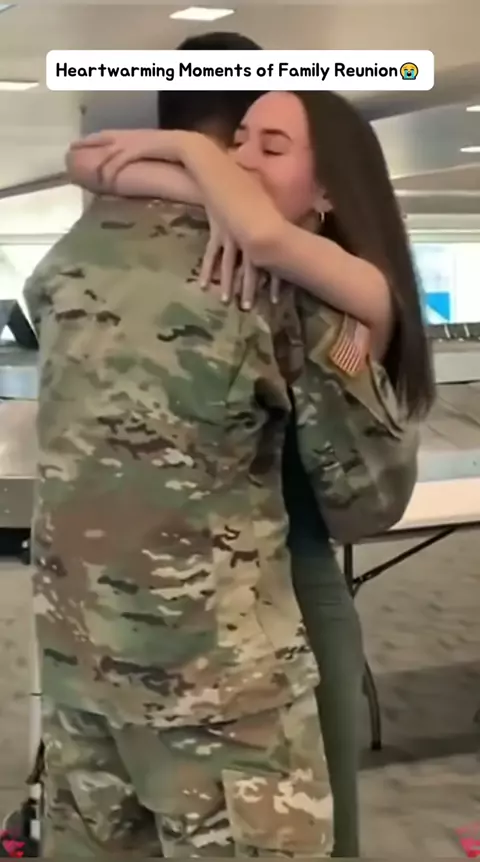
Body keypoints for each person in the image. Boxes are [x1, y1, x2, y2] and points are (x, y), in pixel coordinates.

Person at [69, 88, 434, 856]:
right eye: (237, 139)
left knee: (319, 833)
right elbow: (89, 162)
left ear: (328, 187)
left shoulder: (353, 282)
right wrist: (215, 188)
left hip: (298, 592)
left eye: (272, 147)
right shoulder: (241, 264)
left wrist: (191, 153)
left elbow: (266, 235)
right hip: (222, 608)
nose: (241, 159)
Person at [22, 35, 337, 859]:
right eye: (253, 137)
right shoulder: (272, 269)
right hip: (223, 679)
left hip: (78, 660)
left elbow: (86, 164)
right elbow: (364, 494)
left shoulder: (70, 255)